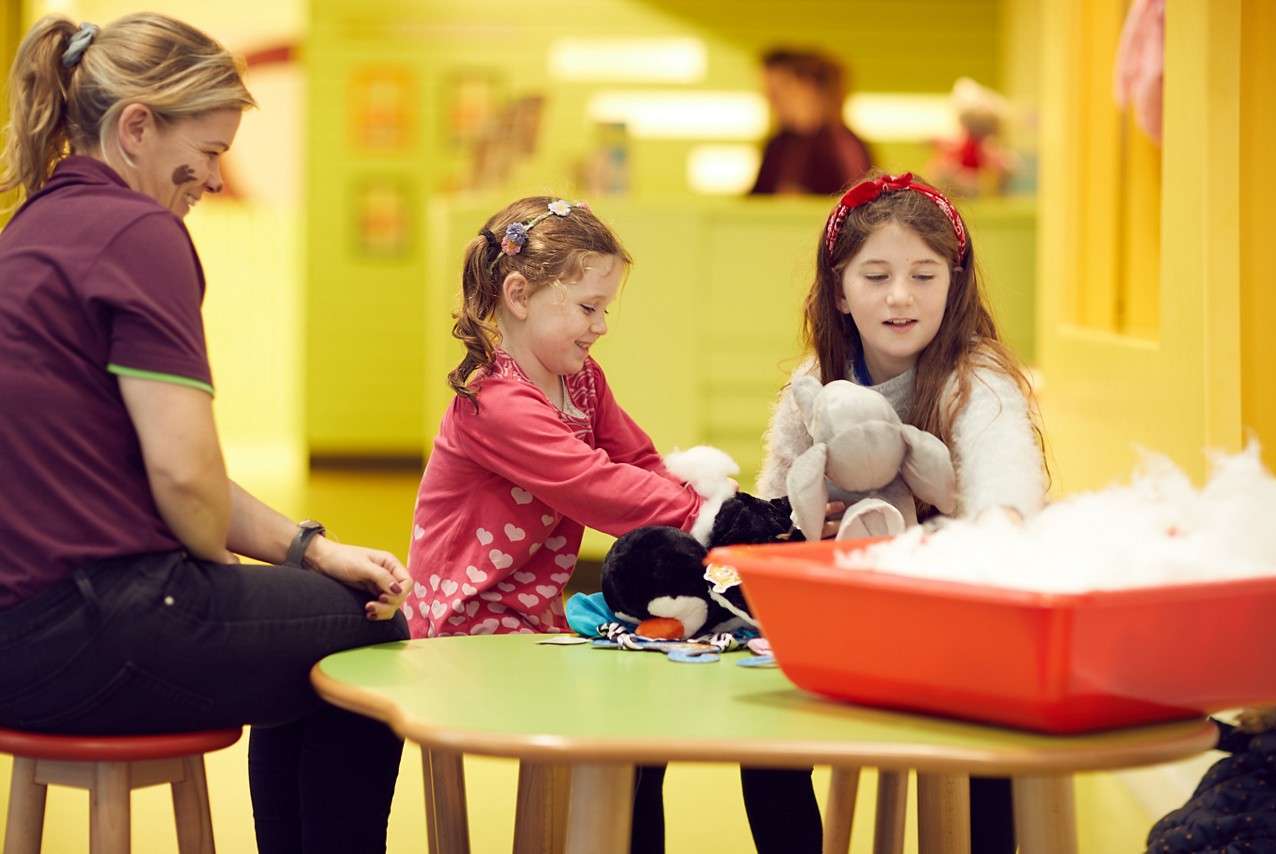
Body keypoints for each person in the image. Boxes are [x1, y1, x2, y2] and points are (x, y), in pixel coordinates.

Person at [0, 15, 411, 854]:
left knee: (312, 606)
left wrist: (309, 551)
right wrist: (213, 575)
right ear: (137, 127)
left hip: (20, 637)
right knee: (370, 626)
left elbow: (165, 469)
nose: (217, 179)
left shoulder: (32, 226)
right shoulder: (140, 232)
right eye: (209, 150)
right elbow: (186, 479)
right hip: (92, 628)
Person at [406, 195, 805, 852]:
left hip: (536, 622)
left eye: (605, 310)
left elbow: (638, 460)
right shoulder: (492, 400)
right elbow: (596, 487)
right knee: (628, 722)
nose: (601, 327)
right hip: (466, 631)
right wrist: (713, 518)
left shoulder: (583, 382)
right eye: (589, 308)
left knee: (646, 721)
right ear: (519, 294)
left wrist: (720, 508)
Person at [757, 171, 1048, 852]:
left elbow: (1006, 483)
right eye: (876, 276)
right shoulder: (814, 386)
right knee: (765, 736)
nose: (899, 296)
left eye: (923, 276)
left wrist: (991, 534)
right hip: (851, 625)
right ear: (840, 290)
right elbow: (771, 508)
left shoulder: (977, 380)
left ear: (954, 284)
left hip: (958, 623)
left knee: (986, 732)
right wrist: (799, 533)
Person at [750, 48, 872, 196]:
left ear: (810, 88)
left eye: (780, 89)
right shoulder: (779, 144)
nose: (771, 99)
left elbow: (856, 199)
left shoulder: (842, 146)